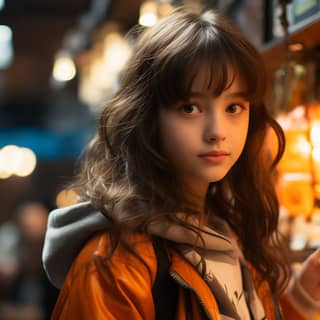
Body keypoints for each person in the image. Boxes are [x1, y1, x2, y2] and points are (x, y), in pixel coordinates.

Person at [42, 8, 320, 320]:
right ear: (147, 117)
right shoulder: (116, 264)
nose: (217, 132)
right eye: (190, 108)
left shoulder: (227, 235)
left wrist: (302, 299)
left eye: (234, 107)